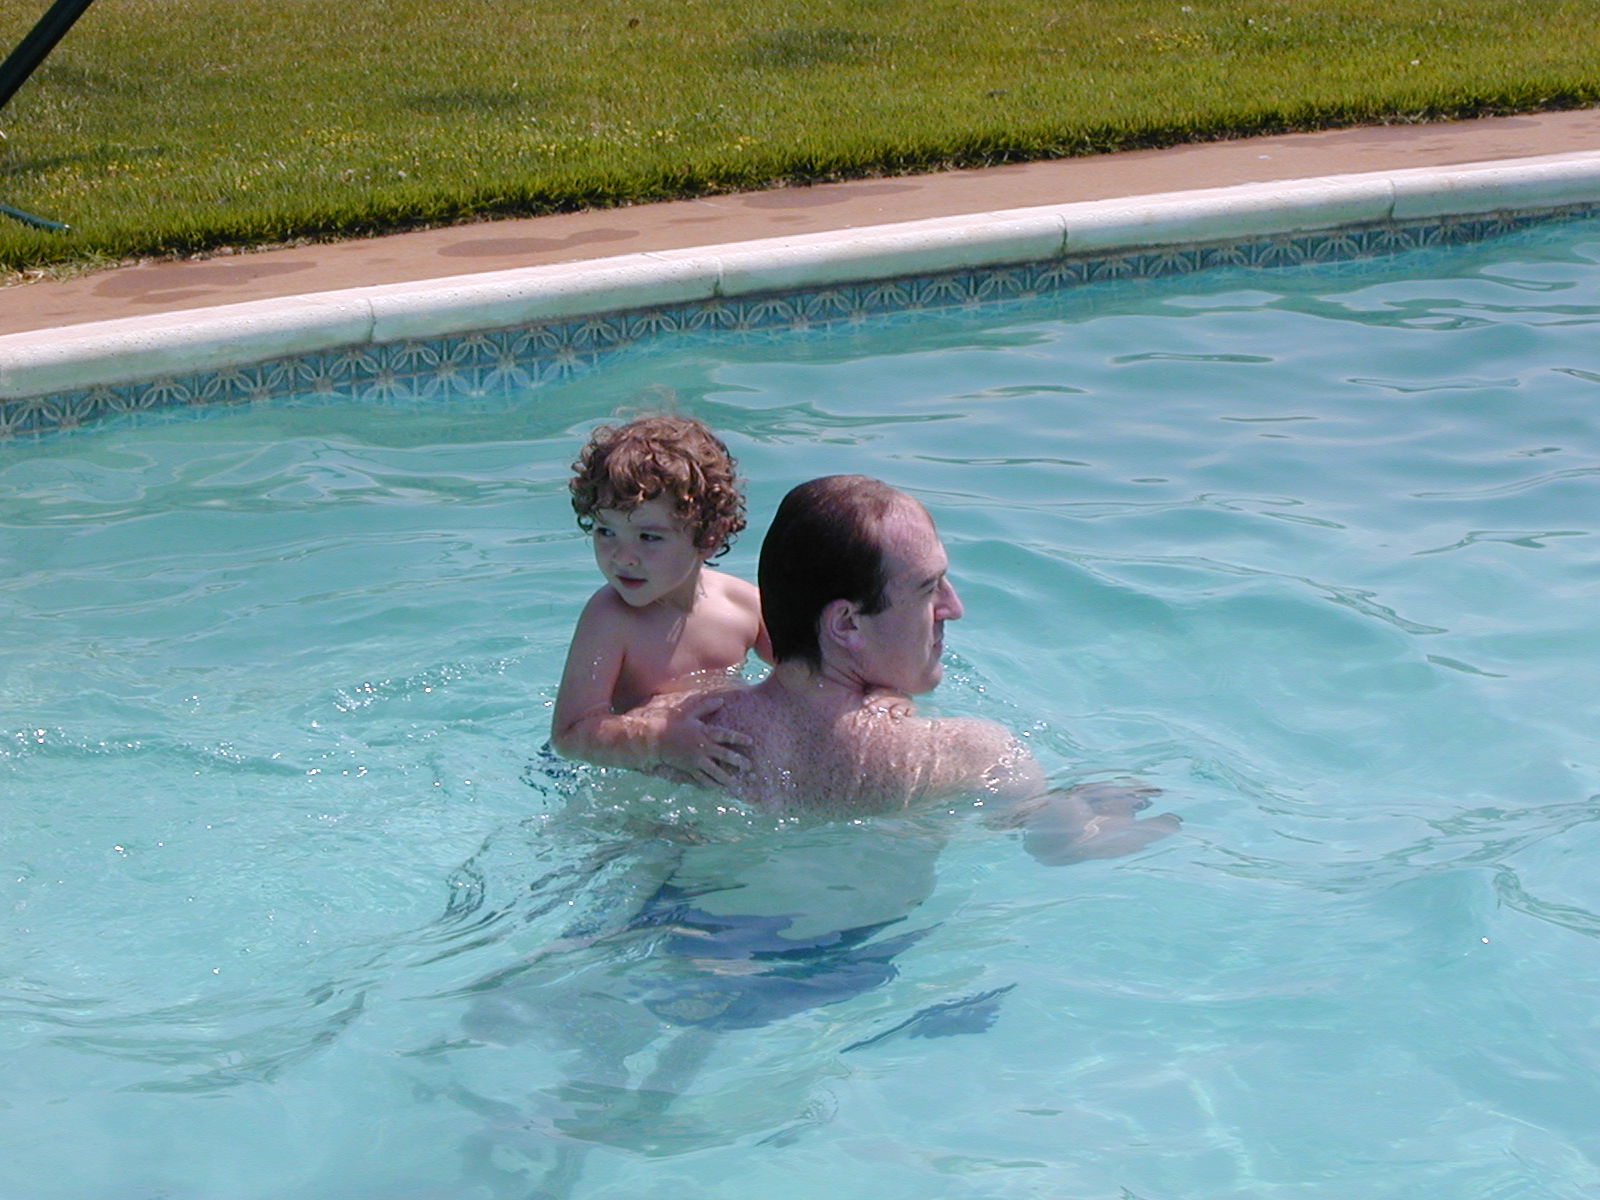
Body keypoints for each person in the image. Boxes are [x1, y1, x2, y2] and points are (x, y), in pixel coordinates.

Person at [710, 474, 1180, 861]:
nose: (953, 607)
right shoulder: (972, 754)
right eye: (927, 588)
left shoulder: (698, 731)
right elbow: (1057, 844)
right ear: (847, 624)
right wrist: (1124, 813)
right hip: (865, 945)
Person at [550, 414, 772, 789]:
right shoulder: (609, 619)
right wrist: (659, 741)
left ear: (709, 537)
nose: (623, 557)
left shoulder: (744, 606)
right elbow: (570, 734)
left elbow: (809, 675)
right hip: (629, 775)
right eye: (606, 531)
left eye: (648, 537)